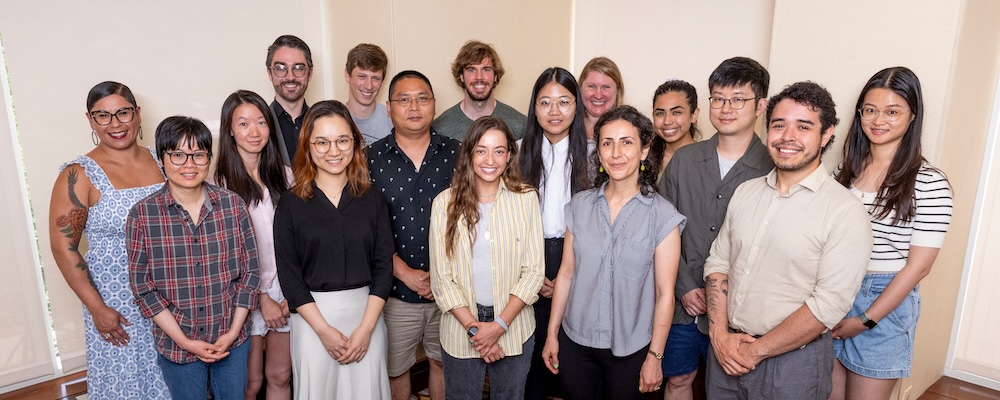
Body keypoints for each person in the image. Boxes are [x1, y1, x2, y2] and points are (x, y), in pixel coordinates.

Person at [702, 82, 872, 399]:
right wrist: (719, 335)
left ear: (826, 134)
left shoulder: (844, 212)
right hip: (725, 352)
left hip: (793, 365)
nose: (787, 137)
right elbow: (718, 263)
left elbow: (829, 304)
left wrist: (756, 352)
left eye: (803, 127)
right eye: (779, 125)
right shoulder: (746, 192)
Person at [542, 105, 685, 400]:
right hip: (576, 343)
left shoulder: (663, 215)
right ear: (599, 152)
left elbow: (664, 293)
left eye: (627, 142)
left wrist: (655, 357)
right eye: (607, 143)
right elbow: (566, 274)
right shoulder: (580, 206)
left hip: (632, 349)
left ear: (644, 150)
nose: (616, 153)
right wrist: (552, 334)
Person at [830, 67, 953, 400]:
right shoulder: (843, 174)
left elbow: (918, 268)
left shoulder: (929, 182)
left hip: (884, 301)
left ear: (912, 116)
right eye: (870, 110)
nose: (878, 120)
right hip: (835, 291)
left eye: (892, 111)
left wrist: (866, 319)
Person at [656, 59, 773, 400]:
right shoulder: (685, 160)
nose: (725, 108)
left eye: (738, 99)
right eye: (718, 98)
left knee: (729, 389)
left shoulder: (771, 167)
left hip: (738, 311)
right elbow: (662, 231)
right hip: (682, 304)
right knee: (678, 380)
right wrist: (683, 286)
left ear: (760, 106)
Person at [49, 81, 170, 399]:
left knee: (173, 379)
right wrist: (97, 308)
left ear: (138, 114)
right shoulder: (79, 174)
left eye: (123, 113)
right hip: (116, 303)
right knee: (125, 384)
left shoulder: (163, 160)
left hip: (168, 297)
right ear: (90, 120)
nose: (115, 124)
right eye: (103, 116)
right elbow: (64, 246)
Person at [127, 116, 260, 400]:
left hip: (232, 340)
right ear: (162, 158)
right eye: (178, 155)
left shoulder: (232, 206)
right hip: (176, 345)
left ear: (209, 158)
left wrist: (233, 331)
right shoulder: (142, 215)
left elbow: (250, 274)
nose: (189, 164)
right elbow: (143, 288)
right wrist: (185, 341)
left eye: (198, 155)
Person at [274, 100, 394, 399]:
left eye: (342, 140)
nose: (333, 150)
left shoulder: (372, 198)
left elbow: (383, 268)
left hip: (366, 316)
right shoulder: (290, 204)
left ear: (355, 143)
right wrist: (324, 332)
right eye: (322, 142)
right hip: (313, 322)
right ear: (308, 146)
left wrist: (366, 330)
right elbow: (290, 278)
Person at [429, 116, 544, 399]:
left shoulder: (526, 199)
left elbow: (533, 273)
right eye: (481, 150)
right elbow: (442, 279)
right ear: (468, 154)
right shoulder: (445, 204)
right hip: (460, 327)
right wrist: (477, 331)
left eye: (499, 150)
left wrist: (499, 326)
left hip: (514, 327)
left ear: (509, 156)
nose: (489, 159)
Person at [368, 70, 460, 400]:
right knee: (397, 370)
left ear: (434, 104)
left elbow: (473, 220)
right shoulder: (370, 159)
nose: (414, 106)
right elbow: (367, 229)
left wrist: (441, 275)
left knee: (442, 364)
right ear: (389, 108)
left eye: (422, 98)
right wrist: (405, 273)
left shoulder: (458, 154)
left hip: (449, 290)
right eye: (404, 100)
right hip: (394, 290)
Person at [516, 66, 591, 400]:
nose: (555, 111)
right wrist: (533, 275)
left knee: (568, 356)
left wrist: (564, 274)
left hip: (576, 259)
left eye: (563, 102)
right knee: (530, 359)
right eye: (545, 102)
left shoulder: (593, 154)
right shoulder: (515, 152)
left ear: (576, 106)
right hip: (526, 257)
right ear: (534, 108)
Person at [213, 90, 293, 400]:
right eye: (244, 123)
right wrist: (260, 297)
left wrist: (291, 294)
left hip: (284, 290)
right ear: (230, 129)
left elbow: (298, 241)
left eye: (261, 122)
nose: (254, 131)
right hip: (243, 295)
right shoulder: (218, 185)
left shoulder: (286, 178)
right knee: (250, 383)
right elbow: (223, 254)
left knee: (281, 375)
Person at [434, 40, 527, 141]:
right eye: (471, 70)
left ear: (495, 76)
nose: (479, 77)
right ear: (461, 76)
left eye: (486, 69)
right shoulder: (440, 129)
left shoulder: (520, 126)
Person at [266, 34, 315, 165]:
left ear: (310, 73)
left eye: (298, 68)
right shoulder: (260, 126)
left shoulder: (321, 122)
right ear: (269, 73)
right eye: (280, 69)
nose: (290, 77)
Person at [649, 79, 701, 179]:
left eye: (676, 112)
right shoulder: (644, 159)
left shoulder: (707, 159)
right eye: (660, 113)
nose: (667, 121)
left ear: (694, 115)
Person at [344, 43, 394, 145]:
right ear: (347, 75)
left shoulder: (394, 121)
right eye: (362, 76)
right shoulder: (334, 119)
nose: (369, 86)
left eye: (375, 78)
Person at [578, 57, 625, 143]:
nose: (598, 95)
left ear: (618, 91)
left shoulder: (630, 131)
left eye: (606, 87)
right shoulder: (566, 129)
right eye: (591, 86)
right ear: (580, 89)